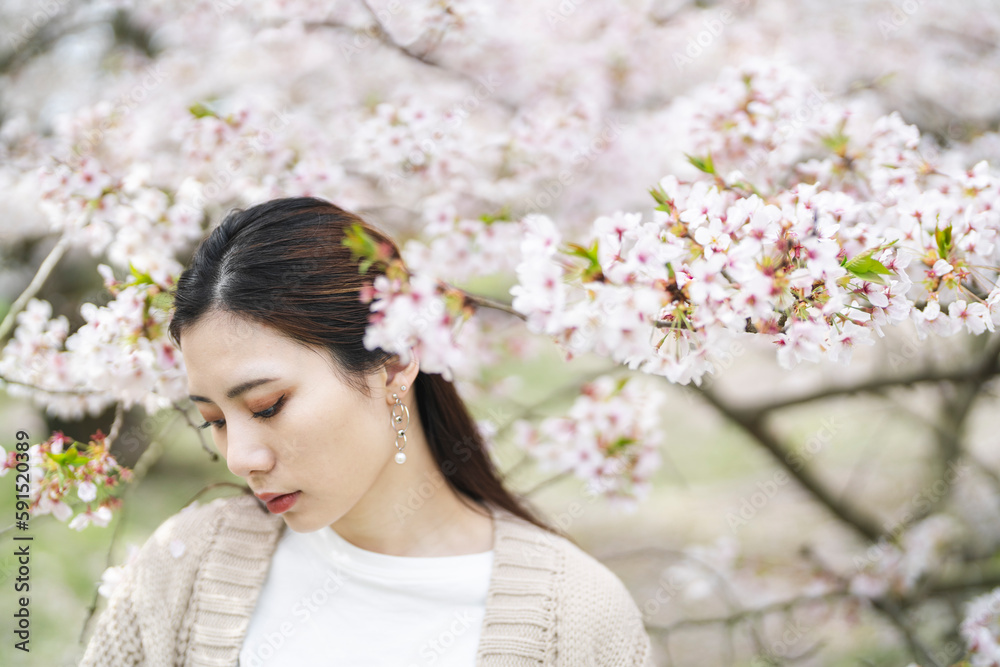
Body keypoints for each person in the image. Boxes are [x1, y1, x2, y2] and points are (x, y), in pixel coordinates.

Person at [79, 196, 655, 666]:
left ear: (396, 362)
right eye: (214, 421)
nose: (240, 458)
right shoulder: (184, 568)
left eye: (269, 404)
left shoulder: (576, 617)